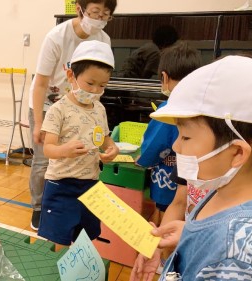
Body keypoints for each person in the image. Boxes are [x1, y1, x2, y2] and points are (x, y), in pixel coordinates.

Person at [139, 56, 252, 280]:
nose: (175, 145)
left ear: (237, 152)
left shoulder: (238, 259)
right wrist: (189, 236)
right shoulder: (227, 193)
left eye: (186, 136)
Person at [28, 0, 117, 231]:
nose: (99, 20)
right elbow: (41, 83)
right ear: (80, 8)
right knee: (42, 161)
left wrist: (109, 145)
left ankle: (76, 207)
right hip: (50, 103)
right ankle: (40, 207)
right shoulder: (57, 37)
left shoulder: (103, 40)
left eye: (105, 15)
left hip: (82, 102)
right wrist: (39, 123)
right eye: (95, 12)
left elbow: (98, 82)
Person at [37, 40, 119, 248]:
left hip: (91, 183)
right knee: (60, 238)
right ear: (71, 76)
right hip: (61, 185)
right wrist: (64, 150)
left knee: (87, 236)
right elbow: (48, 149)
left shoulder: (99, 109)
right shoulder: (59, 110)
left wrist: (112, 148)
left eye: (102, 85)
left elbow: (105, 139)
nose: (95, 90)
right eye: (90, 83)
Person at [135, 42, 202, 227]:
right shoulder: (202, 107)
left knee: (164, 213)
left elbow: (154, 145)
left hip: (169, 179)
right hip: (195, 184)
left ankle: (160, 252)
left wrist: (142, 160)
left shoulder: (169, 108)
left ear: (164, 76)